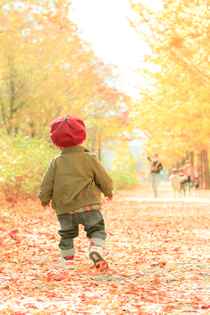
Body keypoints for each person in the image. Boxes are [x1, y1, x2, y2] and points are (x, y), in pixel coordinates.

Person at [38, 115, 113, 270]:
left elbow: (47, 184)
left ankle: (68, 262)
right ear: (82, 138)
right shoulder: (90, 157)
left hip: (65, 209)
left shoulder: (56, 162)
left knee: (66, 234)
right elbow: (103, 178)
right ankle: (95, 248)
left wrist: (44, 200)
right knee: (96, 229)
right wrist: (108, 192)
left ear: (57, 143)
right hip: (89, 205)